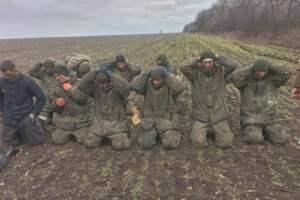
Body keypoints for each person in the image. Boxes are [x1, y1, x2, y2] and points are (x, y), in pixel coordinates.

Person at [180, 51, 237, 148]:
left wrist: (218, 57)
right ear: (201, 62)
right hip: (201, 115)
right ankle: (208, 128)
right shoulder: (195, 74)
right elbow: (183, 67)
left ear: (214, 62)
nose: (207, 65)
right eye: (205, 62)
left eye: (210, 62)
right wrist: (197, 58)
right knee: (198, 142)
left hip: (218, 114)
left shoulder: (221, 72)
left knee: (226, 143)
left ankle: (214, 128)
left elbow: (233, 65)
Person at [230, 59, 291, 144]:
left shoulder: (273, 80)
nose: (262, 74)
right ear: (254, 71)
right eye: (259, 71)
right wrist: (252, 66)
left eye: (264, 71)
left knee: (281, 139)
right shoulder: (245, 82)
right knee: (254, 139)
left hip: (270, 119)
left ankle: (267, 131)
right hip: (251, 120)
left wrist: (268, 64)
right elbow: (235, 76)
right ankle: (254, 131)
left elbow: (287, 72)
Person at [131, 66, 185, 149]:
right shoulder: (147, 85)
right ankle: (155, 134)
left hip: (166, 121)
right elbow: (134, 86)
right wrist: (146, 74)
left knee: (170, 144)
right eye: (154, 79)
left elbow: (180, 87)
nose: (156, 82)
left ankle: (172, 133)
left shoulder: (169, 86)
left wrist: (168, 75)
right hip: (150, 123)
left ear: (163, 78)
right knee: (145, 144)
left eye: (158, 80)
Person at [79, 66, 131, 150]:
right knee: (89, 143)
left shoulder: (118, 91)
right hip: (99, 127)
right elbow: (83, 84)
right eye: (99, 83)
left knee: (121, 145)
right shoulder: (95, 90)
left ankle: (120, 135)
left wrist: (111, 75)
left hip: (116, 127)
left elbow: (125, 86)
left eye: (103, 83)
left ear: (110, 82)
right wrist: (95, 71)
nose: (100, 85)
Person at [0, 60, 46, 149]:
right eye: (4, 75)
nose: (7, 77)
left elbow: (41, 98)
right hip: (9, 118)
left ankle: (38, 123)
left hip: (25, 116)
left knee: (37, 141)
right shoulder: (2, 82)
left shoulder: (27, 81)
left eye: (9, 75)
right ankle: (18, 133)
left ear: (15, 70)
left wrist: (34, 114)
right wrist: (1, 113)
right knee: (8, 144)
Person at [49, 64, 92, 145]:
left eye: (59, 75)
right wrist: (57, 104)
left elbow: (84, 100)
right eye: (55, 76)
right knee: (57, 140)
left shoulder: (80, 83)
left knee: (86, 140)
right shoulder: (56, 88)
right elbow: (52, 107)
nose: (57, 78)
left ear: (65, 74)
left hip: (82, 121)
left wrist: (70, 90)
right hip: (64, 123)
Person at [28, 58, 57, 128]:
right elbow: (31, 71)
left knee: (57, 123)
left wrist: (55, 62)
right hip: (46, 103)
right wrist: (40, 63)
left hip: (57, 102)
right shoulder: (43, 74)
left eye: (50, 69)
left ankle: (52, 118)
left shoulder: (59, 73)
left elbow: (68, 71)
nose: (48, 70)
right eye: (46, 69)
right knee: (39, 120)